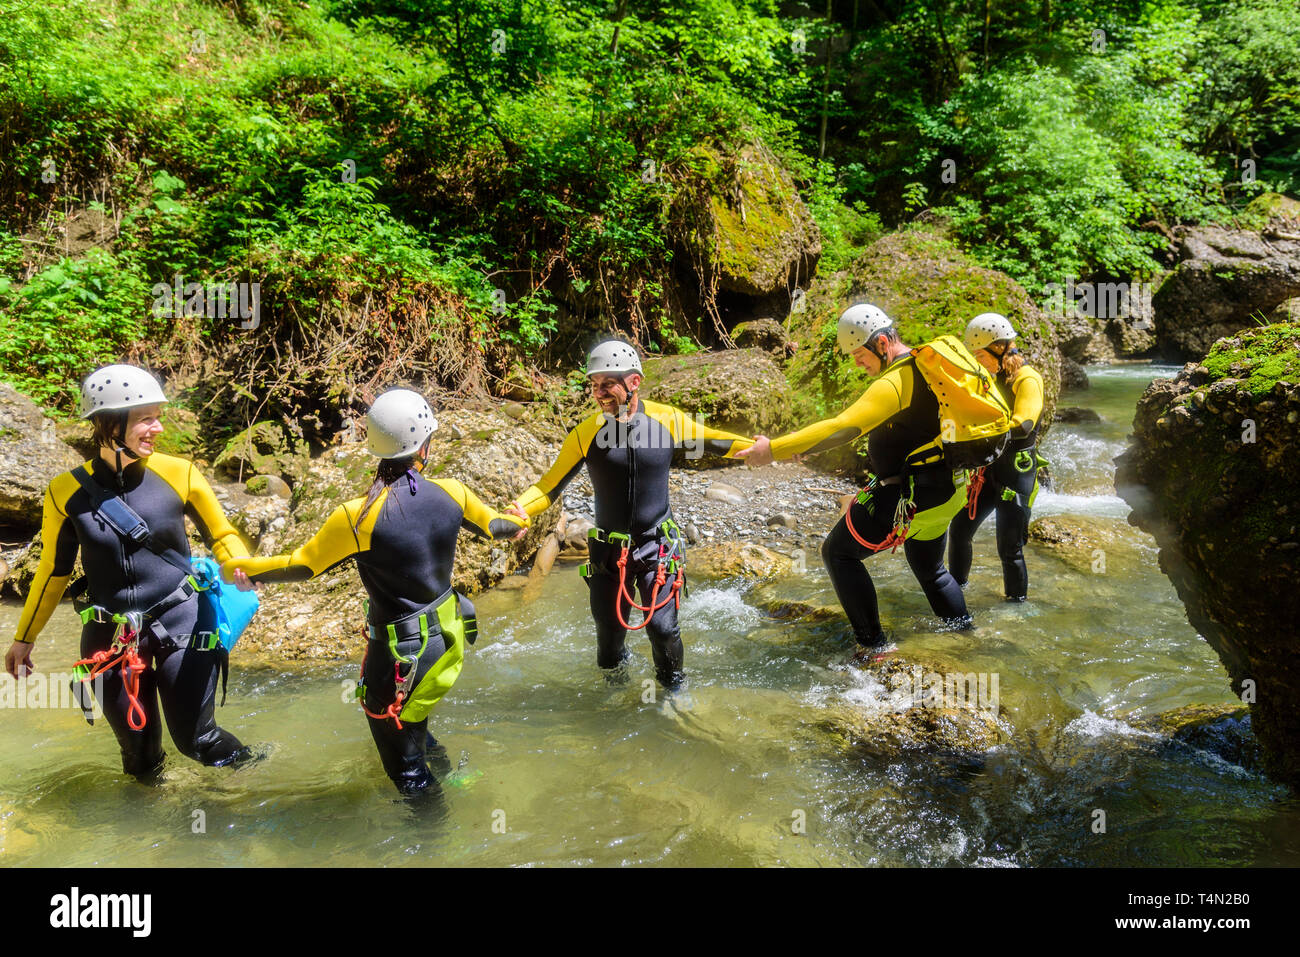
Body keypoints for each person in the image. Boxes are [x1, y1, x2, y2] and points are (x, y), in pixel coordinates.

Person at [222, 389, 524, 801]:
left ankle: (436, 841)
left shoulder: (356, 516)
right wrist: (518, 520)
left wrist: (245, 572)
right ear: (424, 444)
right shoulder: (453, 492)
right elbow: (498, 526)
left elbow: (302, 565)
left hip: (401, 654)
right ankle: (453, 780)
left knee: (406, 773)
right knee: (413, 721)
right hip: (446, 640)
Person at [4, 364, 259, 779]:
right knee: (139, 757)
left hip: (183, 622)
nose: (158, 428)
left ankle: (255, 791)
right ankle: (156, 835)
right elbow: (53, 571)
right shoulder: (64, 492)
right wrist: (23, 639)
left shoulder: (180, 473)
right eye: (146, 418)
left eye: (159, 415)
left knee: (198, 740)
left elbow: (222, 535)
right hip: (109, 636)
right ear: (108, 424)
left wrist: (240, 566)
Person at [504, 340, 753, 688]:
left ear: (634, 382)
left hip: (658, 545)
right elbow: (549, 486)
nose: (599, 393)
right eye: (594, 386)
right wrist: (522, 509)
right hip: (608, 551)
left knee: (663, 630)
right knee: (609, 643)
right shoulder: (586, 433)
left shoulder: (667, 420)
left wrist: (772, 450)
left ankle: (672, 695)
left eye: (607, 384)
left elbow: (720, 442)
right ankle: (615, 704)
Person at [739, 305, 972, 653]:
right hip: (949, 491)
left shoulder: (899, 379)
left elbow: (843, 427)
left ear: (881, 343)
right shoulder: (930, 371)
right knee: (932, 569)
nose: (857, 363)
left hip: (911, 498)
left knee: (837, 554)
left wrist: (773, 449)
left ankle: (874, 648)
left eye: (860, 354)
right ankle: (966, 638)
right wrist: (811, 446)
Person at [946, 313, 1046, 602]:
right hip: (990, 471)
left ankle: (1015, 608)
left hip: (1017, 472)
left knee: (1009, 547)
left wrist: (977, 433)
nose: (978, 360)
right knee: (960, 529)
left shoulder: (1027, 378)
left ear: (1000, 348)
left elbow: (1023, 424)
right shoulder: (992, 378)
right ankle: (955, 589)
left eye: (980, 354)